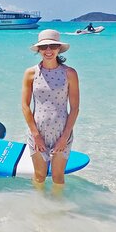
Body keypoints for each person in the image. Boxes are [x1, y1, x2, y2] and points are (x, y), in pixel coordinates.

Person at [21, 29, 80, 191]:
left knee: (58, 177)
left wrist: (65, 136)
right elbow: (25, 106)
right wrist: (36, 135)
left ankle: (58, 211)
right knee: (39, 175)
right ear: (39, 50)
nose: (48, 51)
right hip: (37, 132)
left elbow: (75, 108)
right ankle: (39, 210)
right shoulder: (31, 73)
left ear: (59, 49)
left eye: (53, 46)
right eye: (44, 47)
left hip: (62, 132)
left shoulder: (70, 73)